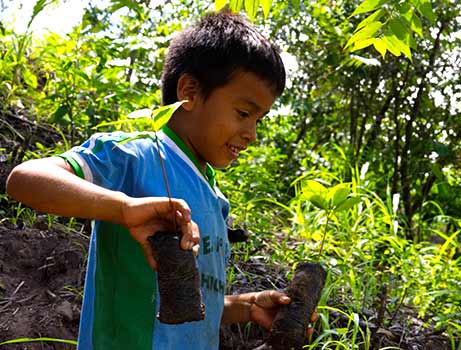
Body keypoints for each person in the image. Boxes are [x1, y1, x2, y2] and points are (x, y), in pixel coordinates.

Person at [6, 9, 312, 349]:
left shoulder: (214, 197)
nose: (252, 133)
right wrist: (123, 208)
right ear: (190, 92)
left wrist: (246, 306)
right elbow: (26, 178)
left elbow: (184, 306)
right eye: (243, 113)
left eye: (260, 120)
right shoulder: (138, 156)